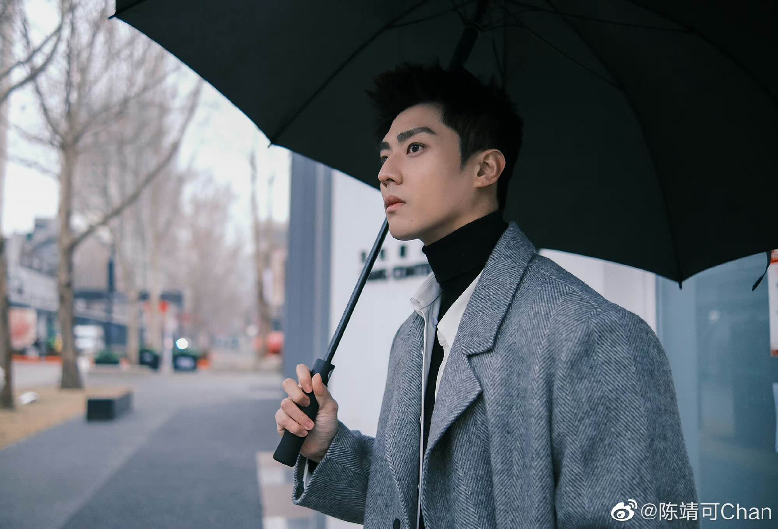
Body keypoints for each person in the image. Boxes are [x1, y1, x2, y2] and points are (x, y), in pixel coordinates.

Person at [274, 62, 699, 528]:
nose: (386, 173)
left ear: (485, 168)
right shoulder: (413, 335)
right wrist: (328, 446)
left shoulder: (593, 337)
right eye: (384, 155)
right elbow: (420, 501)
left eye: (414, 147)